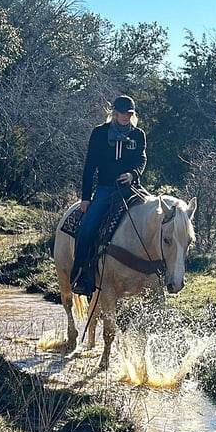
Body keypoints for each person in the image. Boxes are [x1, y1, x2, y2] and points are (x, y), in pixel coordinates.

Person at [70, 95, 147, 296]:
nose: (125, 116)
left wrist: (133, 174)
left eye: (129, 113)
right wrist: (86, 198)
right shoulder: (99, 133)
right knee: (87, 227)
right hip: (105, 188)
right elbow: (89, 167)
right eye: (122, 113)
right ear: (114, 112)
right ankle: (81, 274)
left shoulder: (138, 135)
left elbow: (141, 159)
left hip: (131, 187)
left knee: (156, 218)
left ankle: (159, 273)